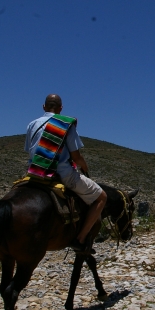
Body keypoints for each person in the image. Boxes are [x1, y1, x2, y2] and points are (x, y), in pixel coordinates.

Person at [24, 94, 107, 252]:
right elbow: (76, 156)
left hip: (34, 173)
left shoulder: (32, 125)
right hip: (62, 173)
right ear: (61, 108)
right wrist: (85, 166)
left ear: (44, 107)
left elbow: (30, 151)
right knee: (101, 197)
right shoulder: (66, 124)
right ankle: (81, 239)